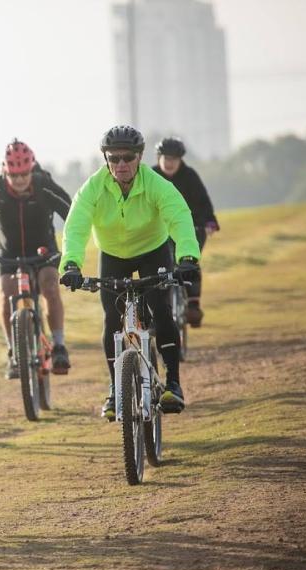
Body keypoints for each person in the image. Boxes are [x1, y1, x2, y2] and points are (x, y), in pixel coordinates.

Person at [58, 125, 201, 420]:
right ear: (106, 159)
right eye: (114, 158)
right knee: (111, 319)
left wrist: (187, 256)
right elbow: (76, 227)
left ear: (139, 157)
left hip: (153, 250)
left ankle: (173, 382)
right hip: (113, 255)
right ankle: (115, 388)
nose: (121, 164)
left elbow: (179, 216)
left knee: (160, 309)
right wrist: (71, 263)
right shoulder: (93, 188)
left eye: (128, 157)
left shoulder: (156, 184)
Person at [0, 139, 73, 379]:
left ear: (31, 169)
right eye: (14, 175)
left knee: (50, 284)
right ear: (5, 171)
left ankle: (60, 345)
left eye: (24, 174)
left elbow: (71, 213)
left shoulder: (44, 185)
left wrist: (73, 247)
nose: (20, 180)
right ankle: (13, 352)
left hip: (44, 249)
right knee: (6, 292)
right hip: (9, 252)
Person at [152, 137, 219, 327]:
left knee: (189, 260)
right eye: (166, 158)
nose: (170, 162)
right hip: (161, 229)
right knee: (158, 263)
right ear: (159, 158)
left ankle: (193, 305)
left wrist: (210, 221)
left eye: (174, 158)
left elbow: (204, 202)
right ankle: (157, 306)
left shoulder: (190, 176)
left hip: (192, 226)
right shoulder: (150, 175)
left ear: (181, 159)